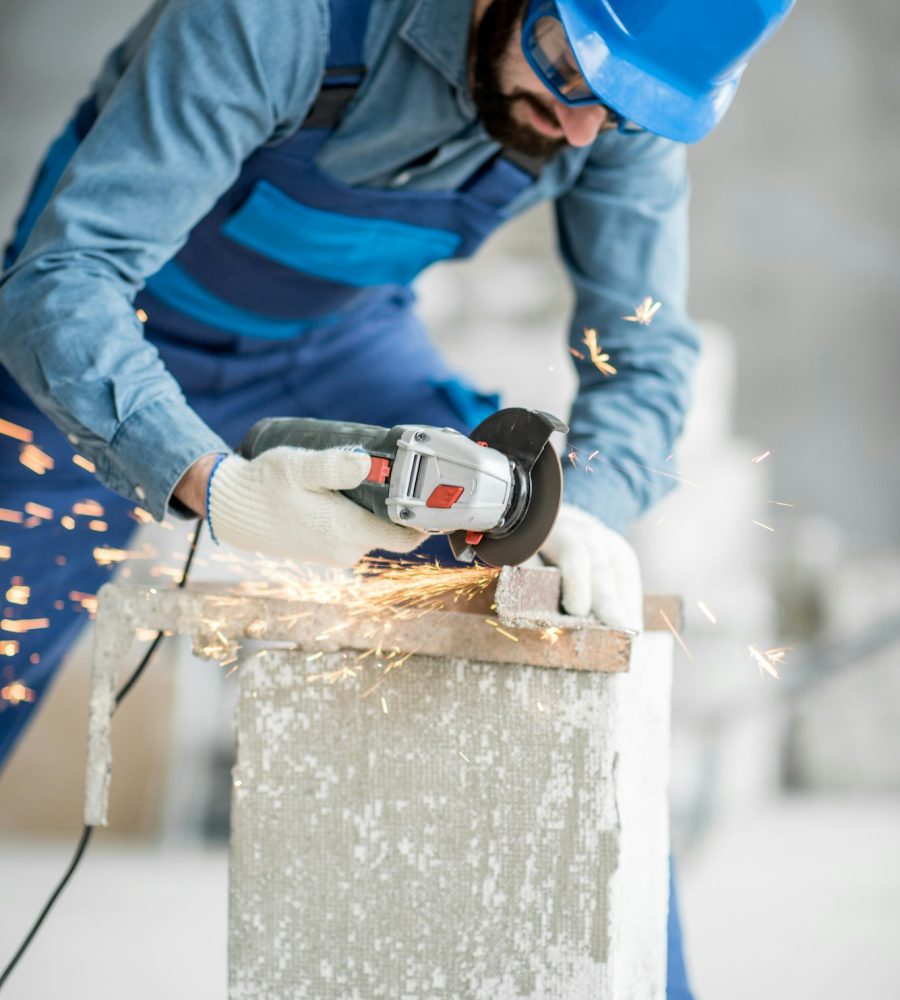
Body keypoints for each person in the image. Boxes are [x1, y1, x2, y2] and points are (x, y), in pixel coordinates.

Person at [0, 0, 793, 993]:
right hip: (91, 339)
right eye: (572, 74)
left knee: (541, 623)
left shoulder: (627, 100)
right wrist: (216, 486)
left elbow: (645, 353)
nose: (586, 127)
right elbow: (63, 283)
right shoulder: (275, 18)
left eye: (626, 113)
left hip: (337, 345)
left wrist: (587, 504)